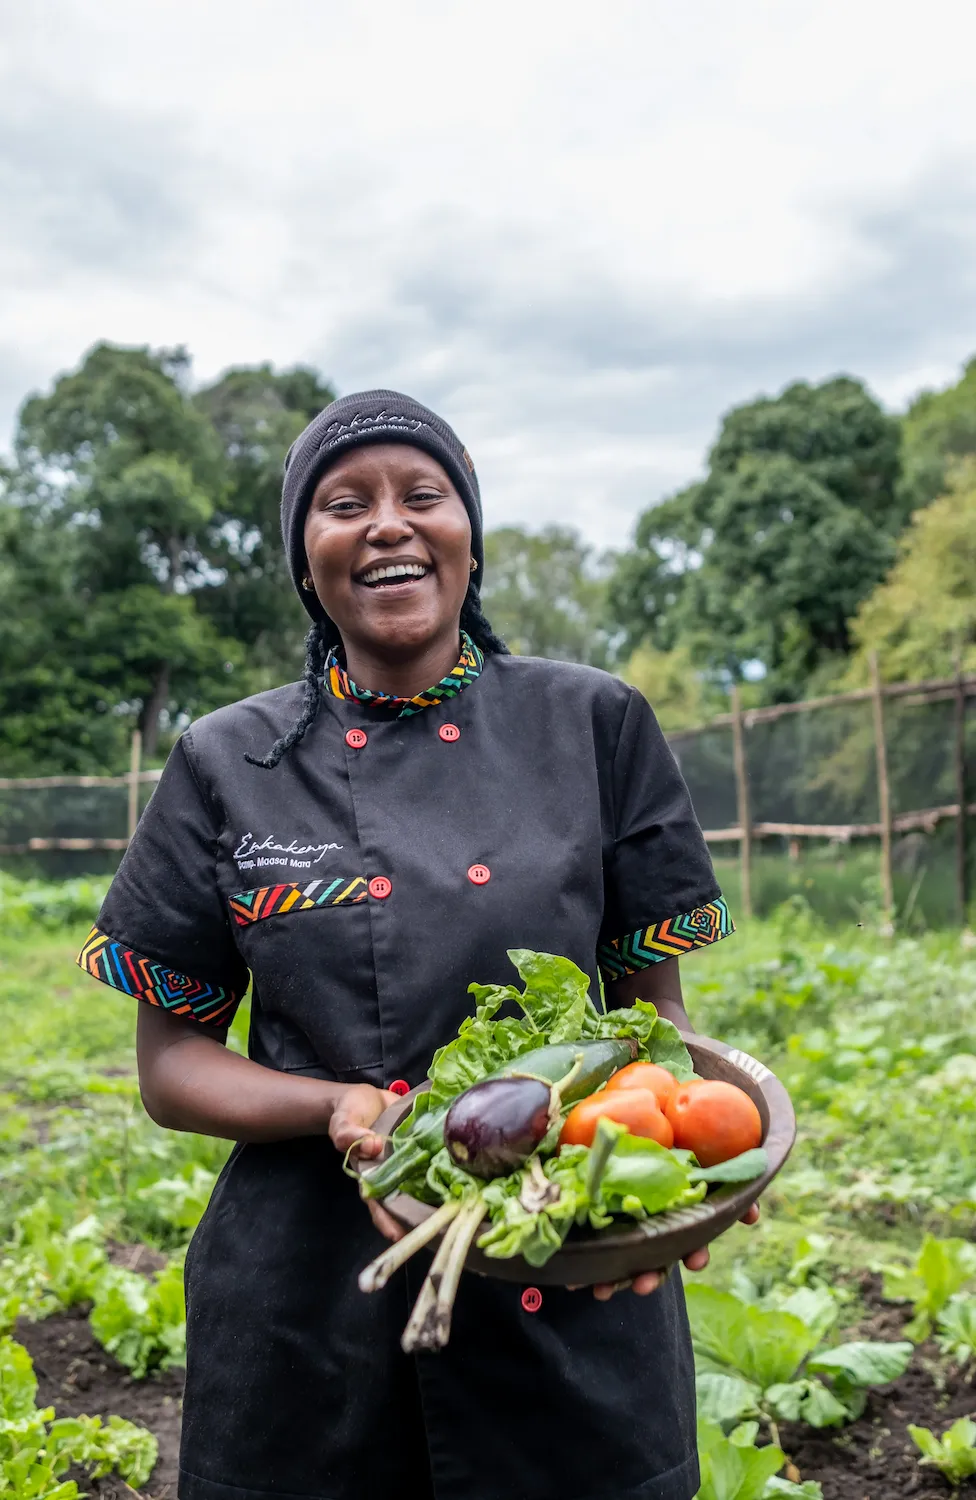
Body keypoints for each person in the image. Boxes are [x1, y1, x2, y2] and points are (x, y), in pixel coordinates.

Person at [77, 390, 743, 1500]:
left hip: (557, 1268)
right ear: (307, 559)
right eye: (345, 504)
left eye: (421, 495)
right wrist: (338, 1104)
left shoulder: (594, 724)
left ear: (467, 538)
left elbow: (653, 1026)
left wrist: (671, 1173)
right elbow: (170, 1067)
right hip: (305, 1301)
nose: (387, 523)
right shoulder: (225, 759)